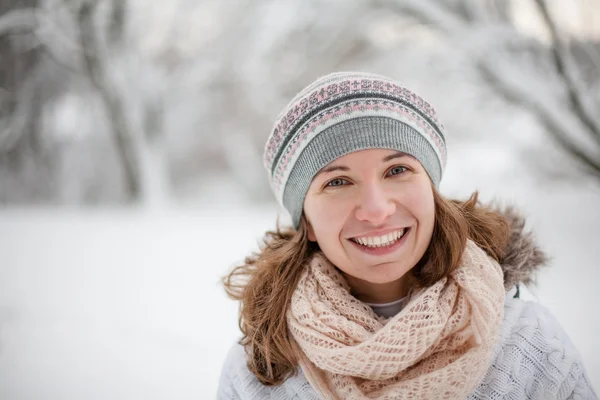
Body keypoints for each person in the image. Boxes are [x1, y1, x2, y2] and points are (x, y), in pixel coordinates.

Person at [218, 72, 597, 399]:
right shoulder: (261, 369)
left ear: (431, 191)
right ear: (308, 223)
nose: (377, 209)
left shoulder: (526, 340)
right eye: (337, 181)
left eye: (397, 170)